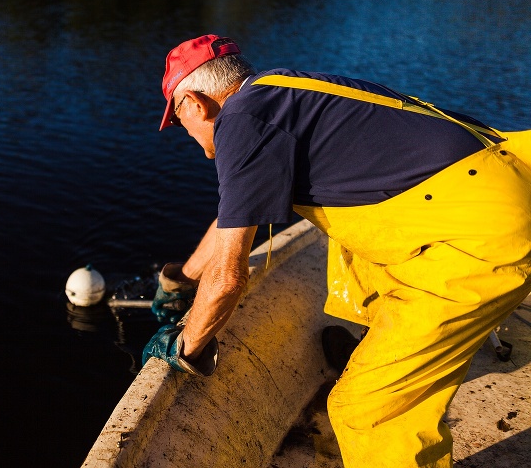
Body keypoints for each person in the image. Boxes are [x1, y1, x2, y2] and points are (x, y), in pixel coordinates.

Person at [141, 34, 531, 468]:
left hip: (478, 238)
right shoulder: (277, 92)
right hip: (497, 184)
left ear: (194, 103)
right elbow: (234, 215)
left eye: (178, 120)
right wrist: (185, 277)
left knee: (365, 411)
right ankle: (378, 348)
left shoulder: (240, 123)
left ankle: (384, 387)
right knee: (347, 248)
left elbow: (230, 279)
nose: (187, 132)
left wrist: (184, 345)